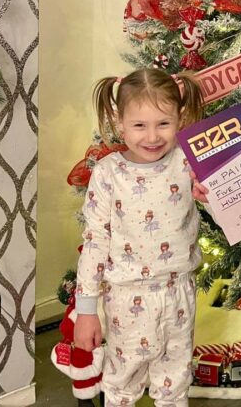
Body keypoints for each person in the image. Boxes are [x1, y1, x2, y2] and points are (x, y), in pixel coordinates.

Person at [73, 68, 207, 407]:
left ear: (180, 118)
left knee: (175, 385)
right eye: (139, 125)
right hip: (126, 298)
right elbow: (94, 243)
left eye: (163, 123)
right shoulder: (108, 173)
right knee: (121, 387)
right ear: (119, 123)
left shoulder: (188, 162)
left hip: (179, 294)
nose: (152, 136)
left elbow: (224, 211)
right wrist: (86, 311)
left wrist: (210, 194)